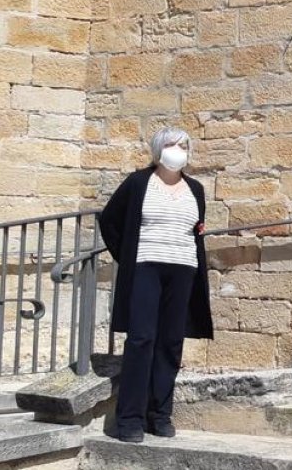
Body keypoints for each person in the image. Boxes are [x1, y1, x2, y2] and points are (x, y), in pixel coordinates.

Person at [98, 127, 213, 443]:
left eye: (184, 145)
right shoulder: (138, 183)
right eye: (173, 144)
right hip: (146, 267)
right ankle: (130, 419)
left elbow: (195, 230)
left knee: (171, 342)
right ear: (158, 149)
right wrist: (127, 255)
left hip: (183, 270)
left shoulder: (196, 189)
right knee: (141, 340)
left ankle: (159, 415)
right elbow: (109, 220)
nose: (179, 149)